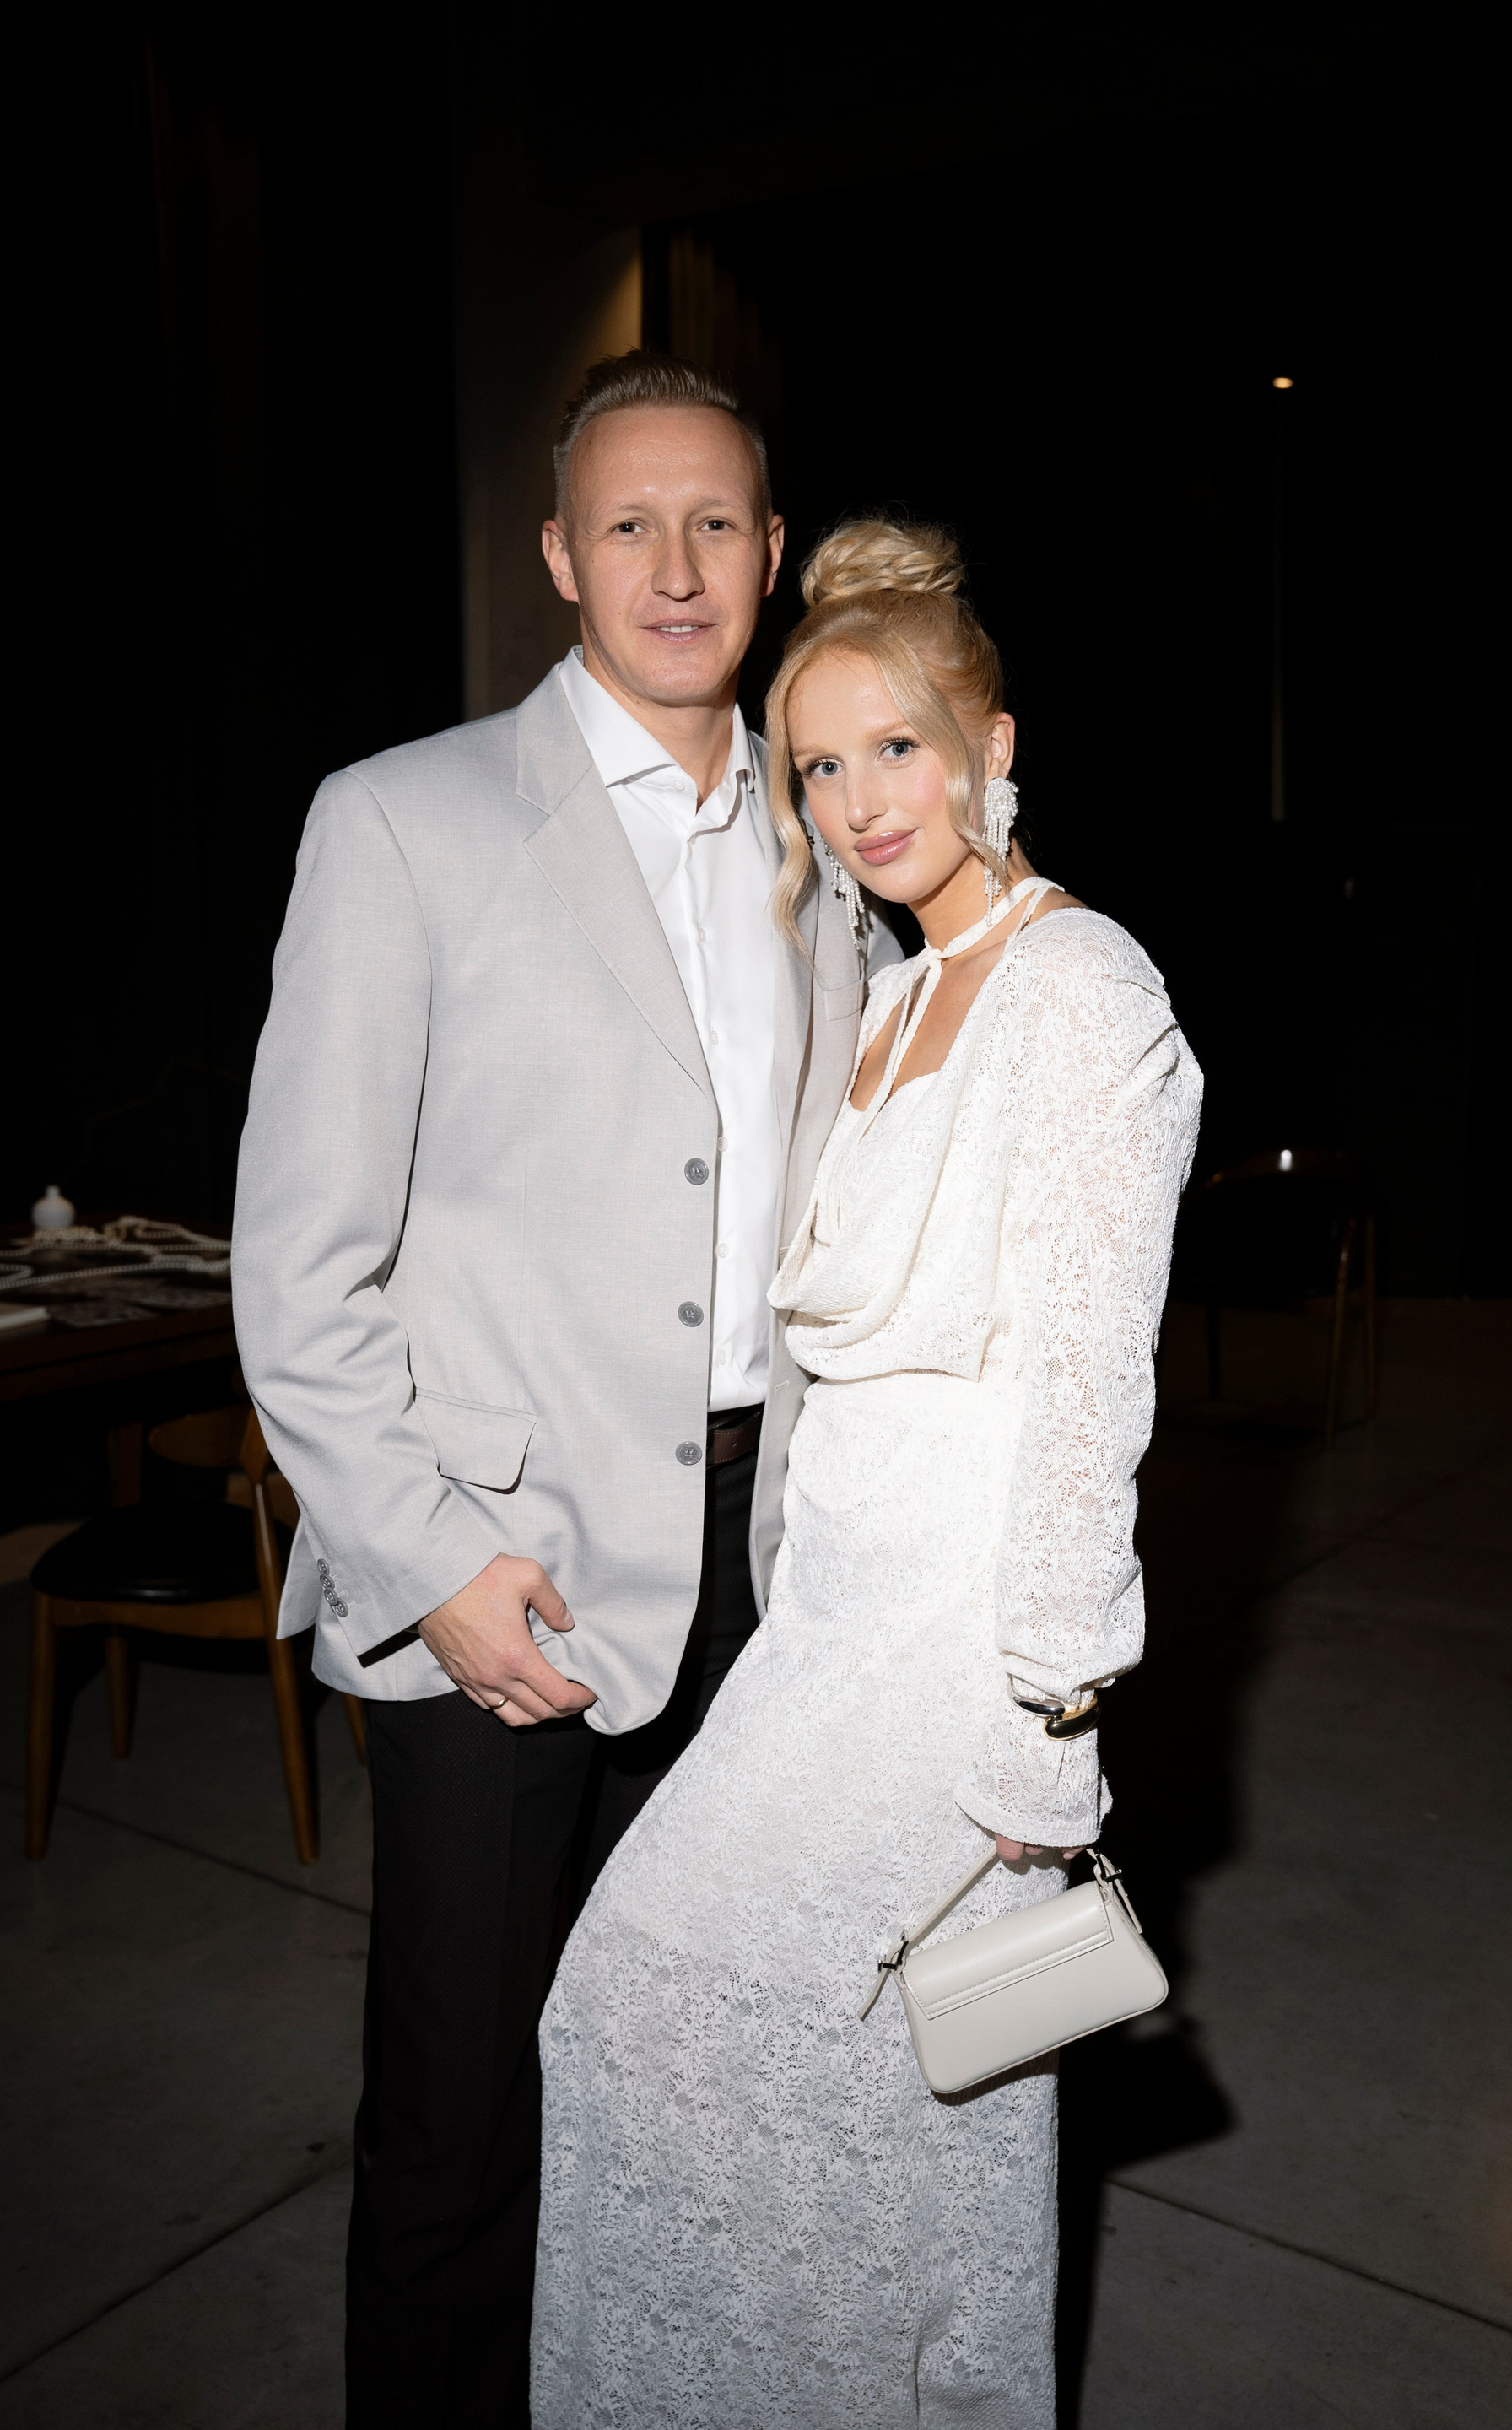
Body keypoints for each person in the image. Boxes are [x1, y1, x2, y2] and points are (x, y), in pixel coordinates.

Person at [231, 355, 899, 2430]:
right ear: (557, 555)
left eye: (714, 524)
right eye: (628, 524)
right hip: (498, 1577)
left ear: (772, 555)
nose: (674, 567)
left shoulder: (829, 832)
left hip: (760, 1566)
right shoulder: (403, 821)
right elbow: (300, 1266)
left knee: (683, 2088)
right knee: (460, 2119)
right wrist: (430, 1567)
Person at [532, 520, 1204, 2424]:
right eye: (819, 766)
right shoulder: (905, 991)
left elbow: (1089, 1392)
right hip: (828, 1631)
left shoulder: (1086, 993)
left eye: (897, 746)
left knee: (651, 2010)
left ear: (996, 744)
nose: (857, 800)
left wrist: (1050, 1729)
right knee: (846, 2095)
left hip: (964, 1660)